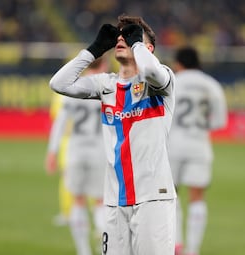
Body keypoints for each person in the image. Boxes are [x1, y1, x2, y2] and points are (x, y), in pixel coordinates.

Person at [49, 14, 177, 255]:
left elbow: (150, 69)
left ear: (147, 47)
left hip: (153, 198)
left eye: (131, 36)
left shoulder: (162, 82)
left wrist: (137, 43)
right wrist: (94, 50)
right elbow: (59, 84)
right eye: (121, 36)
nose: (123, 38)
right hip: (114, 200)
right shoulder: (105, 85)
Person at [45, 57, 110, 255]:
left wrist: (52, 151)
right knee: (100, 201)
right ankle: (101, 235)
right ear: (104, 65)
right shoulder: (109, 87)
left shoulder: (72, 88)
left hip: (75, 150)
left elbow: (60, 123)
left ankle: (83, 250)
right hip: (100, 150)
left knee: (78, 200)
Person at [169, 46, 227, 255]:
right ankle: (193, 250)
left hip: (172, 145)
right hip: (199, 146)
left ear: (178, 63)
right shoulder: (211, 85)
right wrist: (200, 127)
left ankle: (176, 245)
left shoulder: (172, 81)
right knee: (197, 198)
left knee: (170, 197)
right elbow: (220, 122)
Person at [47, 92, 74, 226]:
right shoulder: (90, 88)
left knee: (66, 177)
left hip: (68, 139)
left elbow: (56, 119)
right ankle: (99, 214)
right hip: (91, 140)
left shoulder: (60, 94)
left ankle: (67, 213)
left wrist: (52, 151)